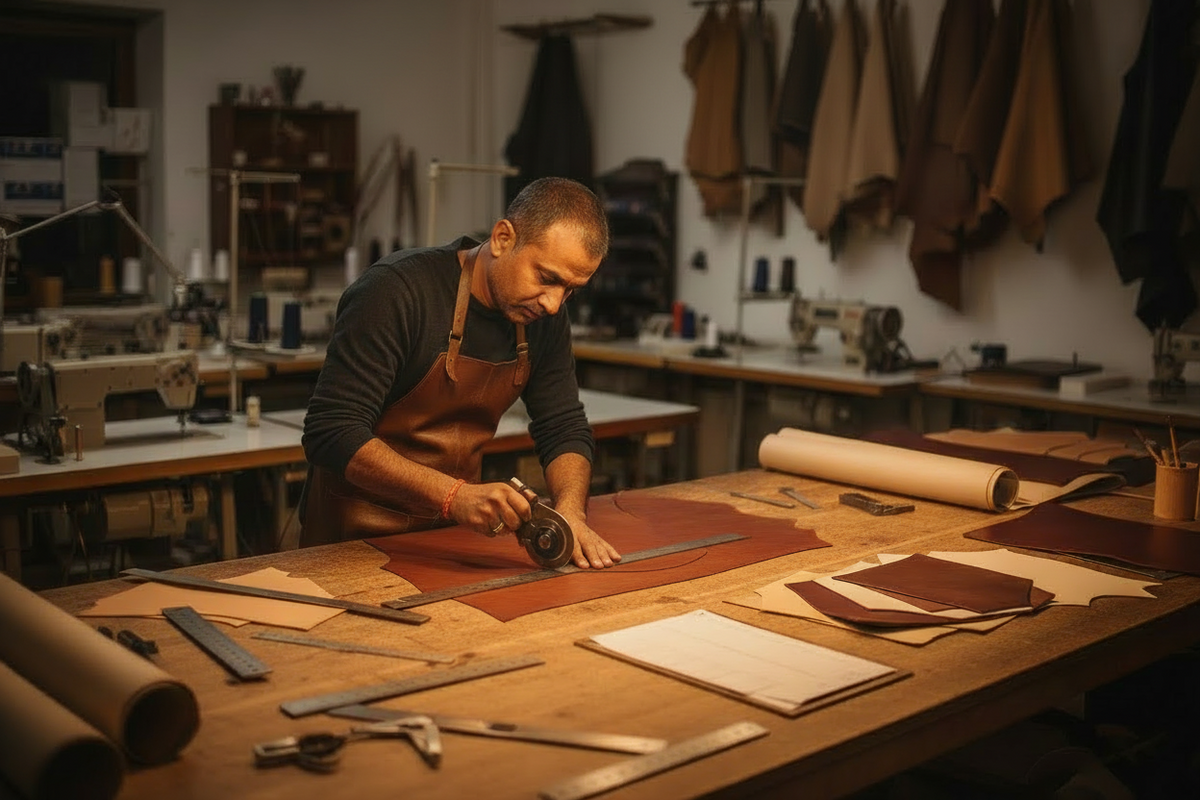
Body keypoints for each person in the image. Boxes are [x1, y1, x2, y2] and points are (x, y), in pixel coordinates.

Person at [300, 176, 621, 569]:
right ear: (503, 238)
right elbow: (332, 432)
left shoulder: (542, 316)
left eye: (571, 290)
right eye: (547, 278)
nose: (554, 303)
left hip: (448, 543)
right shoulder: (396, 291)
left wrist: (571, 513)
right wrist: (455, 496)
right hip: (350, 543)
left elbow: (563, 425)